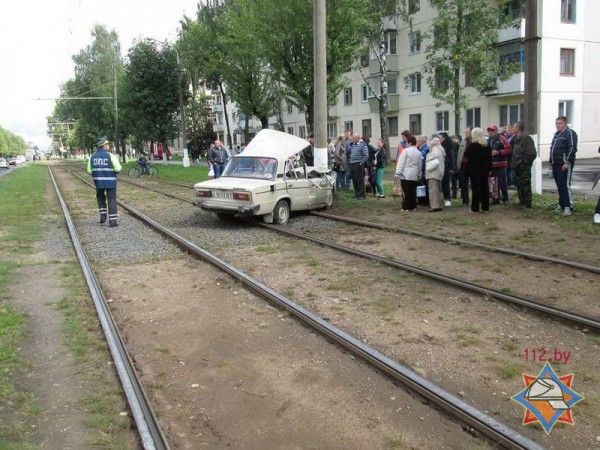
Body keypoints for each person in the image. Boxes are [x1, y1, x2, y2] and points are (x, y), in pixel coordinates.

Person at [87, 136, 122, 227]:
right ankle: (113, 221)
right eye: (107, 144)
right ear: (104, 145)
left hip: (98, 182)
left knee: (100, 198)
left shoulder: (92, 156)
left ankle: (102, 218)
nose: (109, 146)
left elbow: (89, 171)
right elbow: (118, 169)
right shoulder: (111, 156)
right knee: (111, 200)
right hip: (110, 182)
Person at [549, 116, 578, 216]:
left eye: (560, 123)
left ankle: (568, 206)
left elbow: (572, 148)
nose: (558, 125)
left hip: (564, 164)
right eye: (556, 123)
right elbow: (552, 149)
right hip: (555, 163)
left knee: (565, 185)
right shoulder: (557, 135)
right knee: (559, 186)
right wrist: (550, 163)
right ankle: (561, 204)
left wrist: (566, 162)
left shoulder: (569, 133)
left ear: (565, 123)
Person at [464, 128, 492, 214]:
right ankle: (485, 207)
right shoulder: (487, 145)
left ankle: (475, 208)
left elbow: (466, 155)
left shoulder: (473, 145)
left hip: (474, 170)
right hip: (484, 169)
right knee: (485, 188)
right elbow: (490, 158)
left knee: (475, 189)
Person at [511, 121, 538, 209]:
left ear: (518, 128)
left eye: (514, 127)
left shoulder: (526, 138)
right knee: (519, 184)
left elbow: (532, 153)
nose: (512, 128)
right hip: (517, 166)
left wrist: (523, 162)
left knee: (525, 184)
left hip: (523, 167)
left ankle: (527, 203)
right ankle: (522, 202)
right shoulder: (516, 138)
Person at [394, 136, 422, 211]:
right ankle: (413, 206)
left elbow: (401, 163)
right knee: (413, 190)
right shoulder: (418, 152)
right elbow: (419, 165)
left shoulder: (406, 151)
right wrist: (419, 174)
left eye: (406, 142)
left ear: (409, 142)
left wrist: (397, 173)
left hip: (406, 174)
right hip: (414, 174)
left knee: (406, 191)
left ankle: (406, 206)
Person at [487, 125, 512, 205]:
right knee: (492, 182)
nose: (490, 132)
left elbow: (509, 149)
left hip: (501, 164)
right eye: (489, 130)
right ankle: (495, 198)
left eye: (492, 130)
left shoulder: (502, 138)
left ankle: (505, 199)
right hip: (491, 165)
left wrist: (499, 152)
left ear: (496, 130)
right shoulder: (488, 140)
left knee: (503, 182)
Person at [425, 137, 445, 212]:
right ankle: (439, 204)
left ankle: (434, 206)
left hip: (433, 173)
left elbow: (430, 159)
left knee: (433, 190)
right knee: (438, 190)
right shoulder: (441, 149)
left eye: (430, 142)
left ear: (434, 143)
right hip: (439, 173)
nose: (429, 143)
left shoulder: (435, 150)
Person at [348, 133, 370, 200]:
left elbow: (366, 155)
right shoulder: (354, 145)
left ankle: (362, 195)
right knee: (354, 180)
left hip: (358, 165)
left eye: (353, 138)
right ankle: (357, 194)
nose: (352, 139)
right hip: (352, 164)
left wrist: (361, 163)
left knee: (360, 180)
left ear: (358, 138)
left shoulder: (363, 145)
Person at [438, 132, 454, 206]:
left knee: (446, 183)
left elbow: (451, 157)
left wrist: (451, 167)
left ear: (444, 138)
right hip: (438, 166)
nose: (438, 139)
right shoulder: (438, 146)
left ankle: (447, 199)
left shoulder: (448, 146)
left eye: (440, 138)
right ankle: (440, 199)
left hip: (446, 166)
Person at [457, 127, 472, 206]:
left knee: (474, 183)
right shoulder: (463, 141)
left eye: (467, 132)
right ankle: (465, 200)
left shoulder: (475, 141)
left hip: (472, 164)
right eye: (465, 132)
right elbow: (459, 153)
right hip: (463, 164)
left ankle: (478, 199)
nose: (465, 134)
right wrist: (458, 165)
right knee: (463, 183)